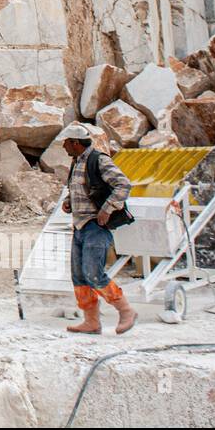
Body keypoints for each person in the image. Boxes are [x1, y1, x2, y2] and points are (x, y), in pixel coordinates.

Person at [59, 125, 137, 334]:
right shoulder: (76, 163)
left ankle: (126, 310)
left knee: (93, 273)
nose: (62, 145)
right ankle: (91, 321)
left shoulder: (98, 160)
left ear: (75, 143)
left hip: (95, 225)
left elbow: (123, 185)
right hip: (80, 225)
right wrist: (69, 202)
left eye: (65, 142)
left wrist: (107, 209)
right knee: (79, 277)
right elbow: (79, 190)